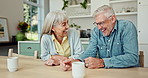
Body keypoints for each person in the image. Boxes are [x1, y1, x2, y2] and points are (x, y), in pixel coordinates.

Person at [61, 5, 139, 70]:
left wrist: (102, 62)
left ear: (112, 19)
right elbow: (90, 52)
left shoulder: (126, 27)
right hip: (105, 73)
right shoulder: (96, 31)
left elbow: (132, 58)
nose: (98, 27)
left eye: (101, 23)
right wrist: (76, 62)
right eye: (97, 24)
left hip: (127, 73)